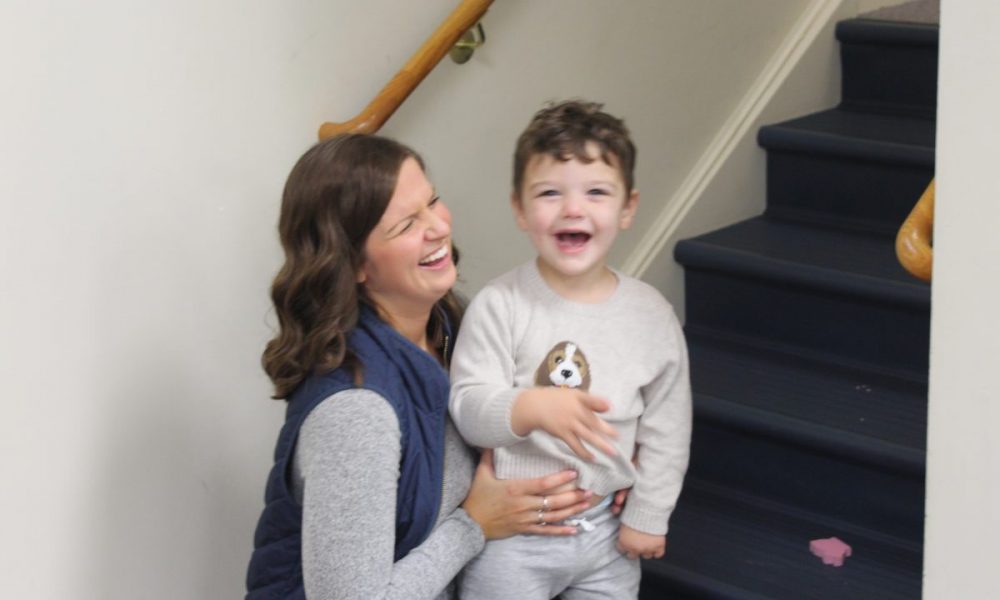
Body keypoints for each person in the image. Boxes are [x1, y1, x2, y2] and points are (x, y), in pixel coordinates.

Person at [244, 133, 597, 600]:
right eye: (407, 224)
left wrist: (609, 466)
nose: (438, 227)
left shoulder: (455, 323)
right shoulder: (356, 415)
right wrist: (474, 524)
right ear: (354, 266)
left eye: (432, 201)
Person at [449, 100, 693, 599]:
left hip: (606, 535)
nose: (573, 209)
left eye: (597, 193)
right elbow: (468, 407)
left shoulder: (652, 316)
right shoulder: (501, 305)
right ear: (519, 207)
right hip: (514, 535)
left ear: (627, 208)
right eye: (549, 194)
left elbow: (668, 428)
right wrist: (529, 405)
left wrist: (648, 514)